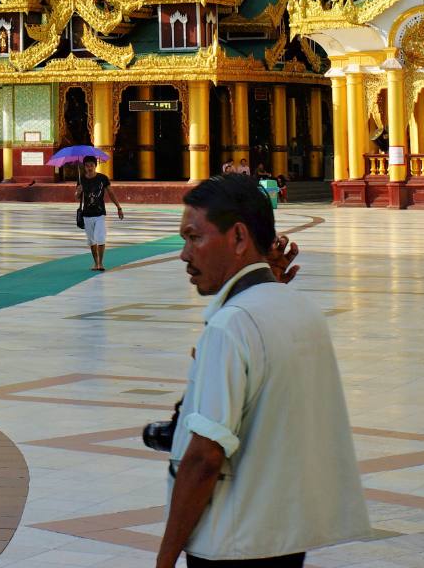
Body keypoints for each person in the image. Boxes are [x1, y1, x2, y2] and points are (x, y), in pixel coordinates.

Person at [155, 174, 370, 568]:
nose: (184, 255)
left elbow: (204, 457)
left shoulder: (233, 324)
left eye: (194, 237)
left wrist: (165, 558)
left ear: (239, 238)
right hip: (285, 538)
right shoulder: (300, 308)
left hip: (233, 543)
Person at [76, 156, 125, 271]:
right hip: (86, 214)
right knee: (91, 240)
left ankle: (100, 263)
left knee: (101, 238)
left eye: (91, 165)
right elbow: (77, 197)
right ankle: (95, 262)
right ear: (84, 167)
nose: (89, 168)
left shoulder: (103, 178)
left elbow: (111, 193)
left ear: (95, 166)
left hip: (100, 213)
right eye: (87, 165)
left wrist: (119, 207)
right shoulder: (81, 179)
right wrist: (78, 192)